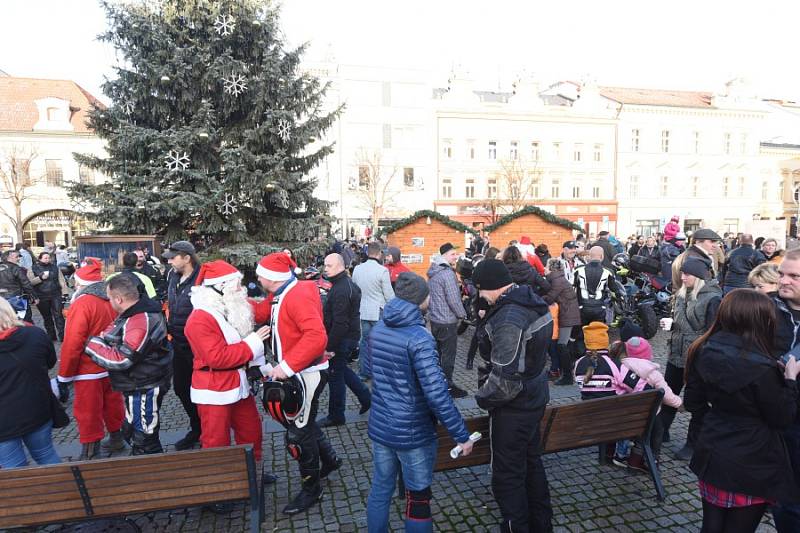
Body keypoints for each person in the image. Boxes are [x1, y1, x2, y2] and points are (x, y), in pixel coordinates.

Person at [684, 289, 800, 533]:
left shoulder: (701, 348)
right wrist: (789, 380)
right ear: (762, 320)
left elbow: (693, 403)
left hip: (712, 450)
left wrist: (720, 421)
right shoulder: (764, 367)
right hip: (753, 459)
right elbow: (782, 417)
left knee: (711, 526)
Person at [365, 272, 473, 533]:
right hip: (413, 432)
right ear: (421, 300)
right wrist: (461, 434)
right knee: (418, 497)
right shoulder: (420, 337)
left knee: (381, 488)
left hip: (381, 425)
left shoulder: (379, 327)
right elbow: (436, 393)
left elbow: (368, 369)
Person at [254, 252, 340, 515]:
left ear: (271, 278)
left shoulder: (297, 294)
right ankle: (330, 460)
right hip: (299, 371)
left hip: (306, 373)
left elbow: (316, 337)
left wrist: (286, 366)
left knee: (298, 434)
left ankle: (312, 488)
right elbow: (262, 310)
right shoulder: (284, 291)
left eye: (259, 273)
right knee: (305, 424)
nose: (256, 277)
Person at [471, 259, 553, 532]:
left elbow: (505, 378)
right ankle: (541, 525)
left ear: (491, 286)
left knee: (508, 475)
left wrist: (483, 398)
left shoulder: (509, 318)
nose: (479, 296)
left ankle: (516, 526)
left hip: (514, 407)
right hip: (534, 396)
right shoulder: (530, 300)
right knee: (531, 464)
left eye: (480, 290)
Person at [184, 261, 269, 471]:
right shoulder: (200, 319)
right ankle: (220, 487)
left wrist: (278, 288)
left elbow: (258, 312)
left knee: (251, 430)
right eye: (237, 285)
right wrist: (254, 343)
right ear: (221, 288)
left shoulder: (228, 307)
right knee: (216, 441)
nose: (241, 289)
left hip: (237, 384)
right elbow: (217, 357)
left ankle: (251, 474)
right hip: (214, 388)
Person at [84, 274, 173, 455]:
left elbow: (122, 359)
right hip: (139, 382)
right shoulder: (132, 314)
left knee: (145, 435)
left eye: (109, 298)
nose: (109, 302)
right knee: (136, 428)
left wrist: (92, 345)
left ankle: (150, 472)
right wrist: (100, 342)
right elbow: (109, 336)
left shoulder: (139, 319)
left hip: (144, 384)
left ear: (119, 299)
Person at [58, 258, 125, 459]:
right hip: (111, 363)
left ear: (80, 284)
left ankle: (90, 451)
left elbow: (72, 342)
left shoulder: (82, 303)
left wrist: (64, 375)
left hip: (88, 368)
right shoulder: (112, 298)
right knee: (113, 403)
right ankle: (117, 438)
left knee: (88, 410)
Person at [658, 257, 721, 461]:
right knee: (666, 394)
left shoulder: (713, 298)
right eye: (682, 273)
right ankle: (661, 431)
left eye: (687, 274)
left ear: (699, 276)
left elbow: (713, 332)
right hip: (675, 355)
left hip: (697, 359)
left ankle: (693, 444)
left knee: (697, 402)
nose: (682, 277)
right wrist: (672, 324)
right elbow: (681, 322)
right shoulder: (681, 293)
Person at [0, 297, 61, 468]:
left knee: (13, 467)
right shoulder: (35, 334)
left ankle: (26, 495)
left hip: (3, 424)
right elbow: (50, 362)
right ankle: (61, 491)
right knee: (46, 455)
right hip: (37, 408)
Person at [612, 337, 682, 471]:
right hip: (648, 414)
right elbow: (666, 395)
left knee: (638, 431)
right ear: (647, 354)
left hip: (624, 413)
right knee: (657, 430)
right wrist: (679, 403)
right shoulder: (652, 373)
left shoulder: (620, 367)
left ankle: (630, 459)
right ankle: (652, 460)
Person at [318, 253, 371, 427]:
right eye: (325, 265)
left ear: (340, 266)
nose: (325, 268)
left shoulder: (342, 289)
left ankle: (336, 415)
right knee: (341, 370)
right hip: (346, 336)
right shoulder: (342, 285)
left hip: (342, 339)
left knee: (335, 377)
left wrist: (329, 347)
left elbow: (340, 323)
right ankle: (366, 397)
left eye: (329, 265)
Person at [163, 241, 203, 450]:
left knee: (201, 390)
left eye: (173, 257)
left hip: (197, 346)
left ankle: (206, 429)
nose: (169, 260)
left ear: (187, 258)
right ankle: (197, 427)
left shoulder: (202, 279)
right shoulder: (172, 276)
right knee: (180, 388)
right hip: (177, 344)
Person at [426, 242, 467, 398]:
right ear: (443, 256)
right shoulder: (447, 273)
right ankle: (447, 386)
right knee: (448, 356)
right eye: (452, 254)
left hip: (435, 320)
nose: (455, 256)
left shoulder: (433, 271)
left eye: (456, 254)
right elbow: (454, 300)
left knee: (437, 355)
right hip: (447, 321)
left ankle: (436, 383)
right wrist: (463, 315)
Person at [353, 242, 395, 382]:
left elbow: (355, 291)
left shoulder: (357, 269)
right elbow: (389, 295)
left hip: (363, 311)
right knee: (381, 343)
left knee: (364, 342)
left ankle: (364, 372)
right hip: (378, 311)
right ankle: (380, 373)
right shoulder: (382, 270)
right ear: (378, 254)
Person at [543, 259, 580, 386]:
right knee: (561, 346)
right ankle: (563, 373)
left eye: (546, 266)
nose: (544, 268)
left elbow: (549, 298)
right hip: (567, 315)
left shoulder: (557, 281)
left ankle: (568, 376)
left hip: (567, 316)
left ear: (552, 268)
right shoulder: (558, 278)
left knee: (562, 346)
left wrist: (535, 299)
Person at [573, 246, 619, 325]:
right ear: (602, 256)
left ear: (589, 256)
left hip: (582, 307)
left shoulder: (578, 270)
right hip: (599, 308)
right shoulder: (608, 272)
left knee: (581, 333)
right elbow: (615, 290)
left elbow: (572, 287)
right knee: (597, 333)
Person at [31, 252, 68, 342]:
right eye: (45, 258)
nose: (48, 259)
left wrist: (65, 292)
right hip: (41, 295)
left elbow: (61, 280)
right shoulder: (33, 268)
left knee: (59, 315)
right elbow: (30, 282)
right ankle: (51, 336)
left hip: (56, 294)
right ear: (40, 259)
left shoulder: (55, 267)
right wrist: (40, 278)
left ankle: (62, 336)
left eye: (48, 258)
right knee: (47, 317)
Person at [0, 249, 37, 322]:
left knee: (6, 321)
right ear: (9, 258)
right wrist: (34, 297)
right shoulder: (16, 268)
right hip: (17, 298)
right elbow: (26, 284)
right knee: (25, 321)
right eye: (16, 257)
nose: (18, 259)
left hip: (2, 300)